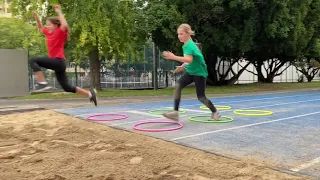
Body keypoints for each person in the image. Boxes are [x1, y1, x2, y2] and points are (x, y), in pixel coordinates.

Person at [30, 5, 97, 106]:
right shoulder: (48, 33)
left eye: (49, 25)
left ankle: (42, 83)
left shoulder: (60, 32)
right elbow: (40, 27)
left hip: (58, 61)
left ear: (56, 25)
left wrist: (59, 11)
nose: (47, 27)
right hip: (58, 65)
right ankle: (90, 94)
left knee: (33, 60)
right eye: (47, 25)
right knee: (67, 87)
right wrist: (36, 17)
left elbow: (64, 24)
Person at [162, 24, 220, 121]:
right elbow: (190, 59)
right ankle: (175, 112)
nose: (179, 36)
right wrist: (182, 66)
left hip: (199, 73)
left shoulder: (190, 45)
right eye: (178, 34)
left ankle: (215, 112)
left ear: (188, 33)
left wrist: (173, 57)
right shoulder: (185, 45)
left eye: (181, 34)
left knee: (201, 97)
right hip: (191, 71)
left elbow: (189, 59)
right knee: (178, 86)